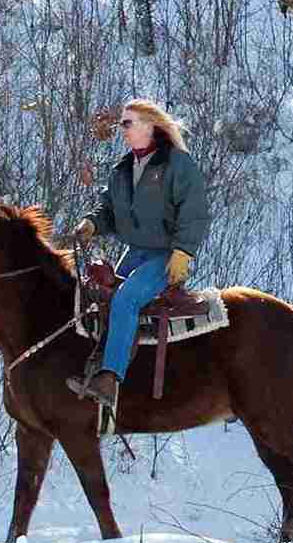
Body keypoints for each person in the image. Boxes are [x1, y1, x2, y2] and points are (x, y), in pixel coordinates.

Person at [69, 99, 212, 424]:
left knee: (126, 299)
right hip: (134, 252)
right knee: (102, 300)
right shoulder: (122, 170)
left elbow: (195, 210)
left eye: (127, 123)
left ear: (150, 126)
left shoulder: (177, 165)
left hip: (165, 255)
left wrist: (183, 252)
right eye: (122, 123)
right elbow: (108, 209)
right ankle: (98, 368)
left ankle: (109, 380)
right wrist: (92, 223)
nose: (122, 130)